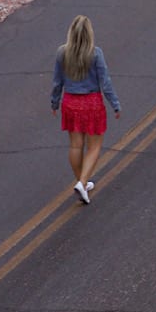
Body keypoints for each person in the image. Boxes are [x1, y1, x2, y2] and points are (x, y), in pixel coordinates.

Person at [51, 14, 121, 203]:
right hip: (92, 103)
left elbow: (57, 82)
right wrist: (115, 104)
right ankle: (82, 182)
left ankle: (82, 182)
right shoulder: (95, 53)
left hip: (70, 103)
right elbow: (105, 82)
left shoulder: (61, 53)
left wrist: (54, 102)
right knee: (94, 146)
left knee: (75, 145)